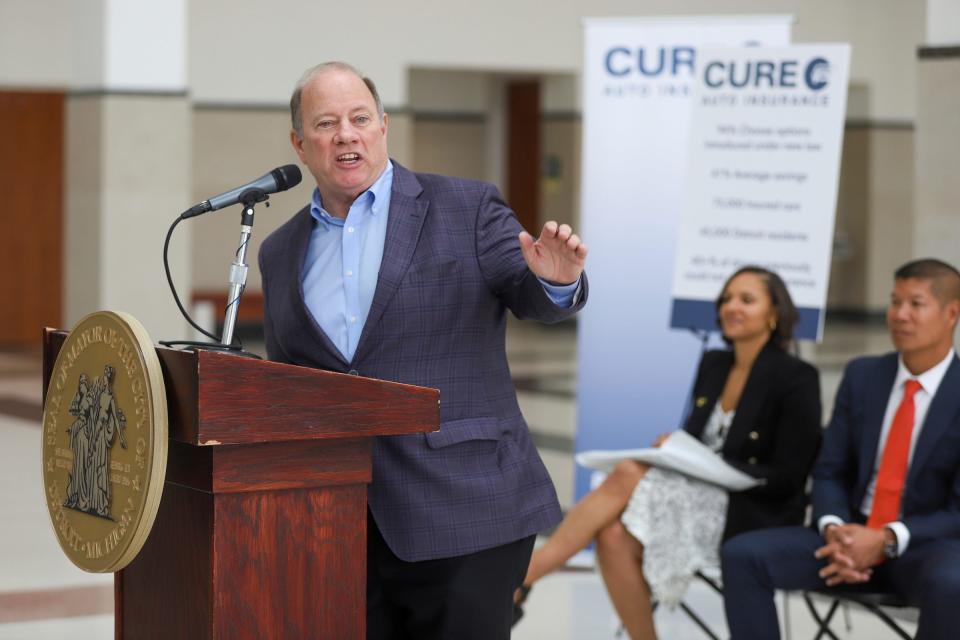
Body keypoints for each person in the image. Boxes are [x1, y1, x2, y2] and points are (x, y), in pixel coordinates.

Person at [257, 61, 588, 640]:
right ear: (300, 144)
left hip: (465, 508)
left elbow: (528, 293)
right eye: (327, 123)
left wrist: (554, 281)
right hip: (344, 521)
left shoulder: (466, 207)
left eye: (359, 118)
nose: (346, 135)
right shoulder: (280, 251)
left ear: (383, 126)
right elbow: (289, 383)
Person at [514, 266, 822, 640]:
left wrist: (715, 467)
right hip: (696, 494)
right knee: (612, 537)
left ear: (774, 314)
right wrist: (676, 447)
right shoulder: (715, 363)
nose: (731, 307)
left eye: (746, 299)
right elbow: (697, 436)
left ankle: (522, 579)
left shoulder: (797, 377)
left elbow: (789, 477)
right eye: (726, 298)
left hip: (755, 509)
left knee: (629, 471)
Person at [722, 259, 960, 640]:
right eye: (894, 301)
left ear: (951, 313)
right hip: (847, 537)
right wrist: (835, 529)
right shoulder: (863, 376)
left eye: (915, 304)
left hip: (921, 548)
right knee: (743, 555)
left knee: (954, 583)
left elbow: (957, 512)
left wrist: (885, 539)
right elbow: (830, 469)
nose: (899, 315)